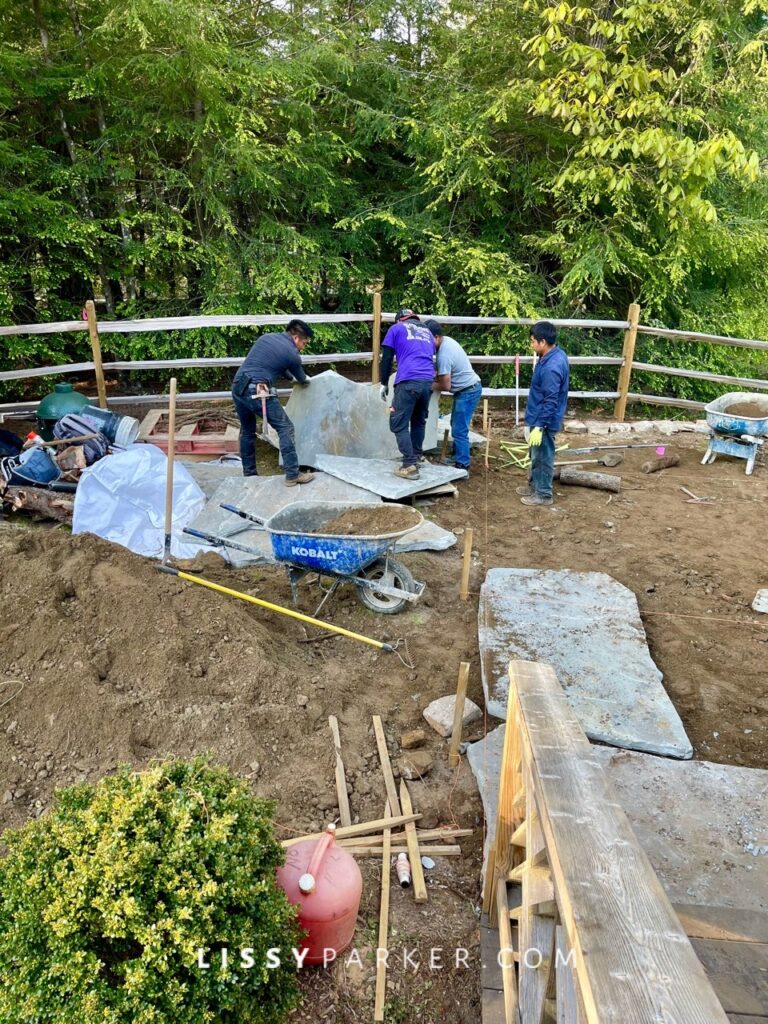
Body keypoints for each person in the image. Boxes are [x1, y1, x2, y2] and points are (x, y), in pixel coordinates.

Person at [231, 319, 315, 486]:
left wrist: (289, 377)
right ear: (297, 338)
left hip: (238, 386)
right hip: (258, 390)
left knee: (247, 432)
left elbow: (276, 364)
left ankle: (249, 475)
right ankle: (292, 474)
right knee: (286, 427)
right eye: (304, 343)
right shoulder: (292, 354)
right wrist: (306, 381)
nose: (303, 347)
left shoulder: (267, 338)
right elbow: (302, 379)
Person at [379, 308, 436, 480]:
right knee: (419, 421)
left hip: (408, 380)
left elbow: (387, 358)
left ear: (399, 320)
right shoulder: (427, 332)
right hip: (427, 382)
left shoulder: (396, 329)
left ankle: (409, 465)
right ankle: (417, 456)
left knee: (398, 423)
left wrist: (383, 383)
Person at [518, 320, 569, 506]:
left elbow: (551, 400)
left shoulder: (551, 367)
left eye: (533, 341)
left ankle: (543, 494)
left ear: (542, 342)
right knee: (535, 454)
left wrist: (540, 425)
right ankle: (534, 485)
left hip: (544, 419)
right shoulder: (553, 355)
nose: (531, 344)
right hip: (538, 416)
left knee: (543, 456)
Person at [424, 319, 482, 476]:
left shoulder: (444, 355)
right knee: (457, 425)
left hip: (468, 390)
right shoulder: (447, 341)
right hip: (468, 389)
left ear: (436, 337)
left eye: (428, 339)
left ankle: (463, 465)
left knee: (459, 429)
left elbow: (445, 386)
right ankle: (458, 457)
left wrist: (429, 385)